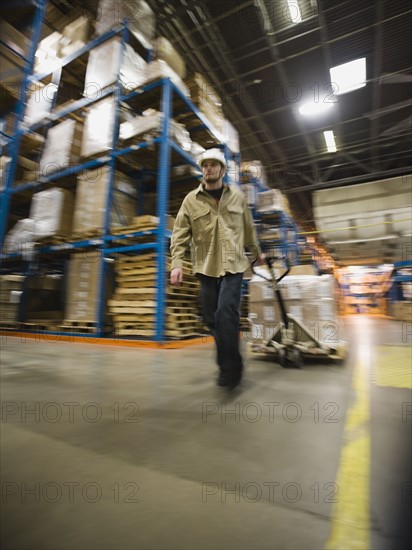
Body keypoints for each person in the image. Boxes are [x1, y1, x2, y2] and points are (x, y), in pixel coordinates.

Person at [170, 148, 264, 389]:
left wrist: (256, 251)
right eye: (205, 165)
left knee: (225, 313)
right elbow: (180, 234)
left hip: (233, 264)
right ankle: (230, 357)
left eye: (214, 165)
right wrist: (177, 263)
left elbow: (248, 227)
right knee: (211, 318)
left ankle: (230, 368)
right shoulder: (191, 200)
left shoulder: (237, 197)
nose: (209, 168)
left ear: (222, 170)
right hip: (206, 265)